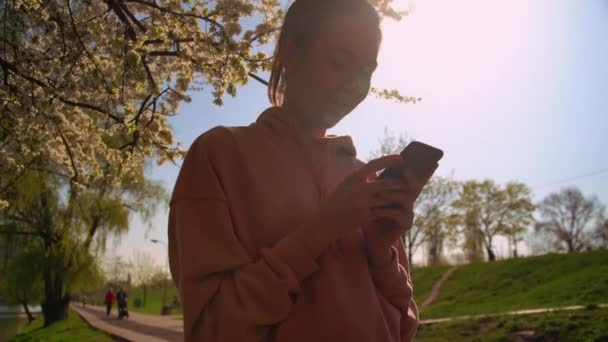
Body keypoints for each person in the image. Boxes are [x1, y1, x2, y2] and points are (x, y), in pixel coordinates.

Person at [168, 0, 437, 340]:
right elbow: (211, 329)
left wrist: (380, 252)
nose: (355, 86)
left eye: (367, 72)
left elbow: (404, 326)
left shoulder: (361, 178)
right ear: (291, 53)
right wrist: (321, 229)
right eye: (340, 62)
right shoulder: (218, 156)